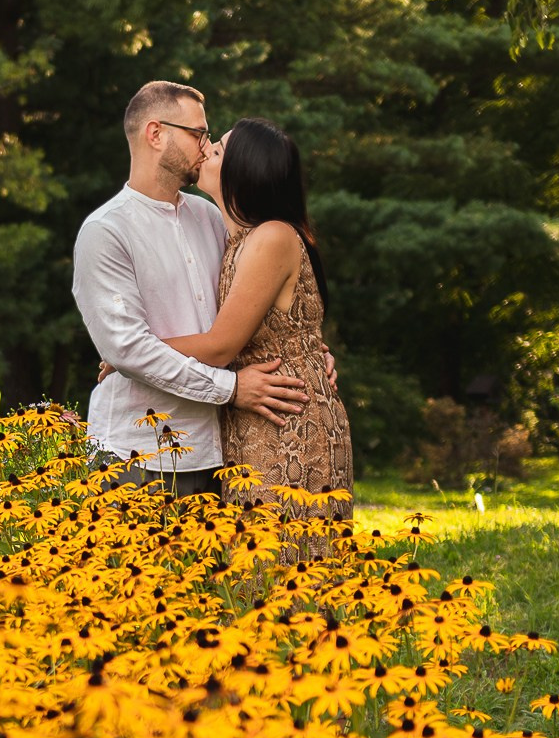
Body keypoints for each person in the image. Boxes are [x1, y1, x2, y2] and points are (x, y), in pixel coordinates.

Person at [70, 81, 324, 498]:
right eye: (198, 134)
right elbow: (128, 348)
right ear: (156, 134)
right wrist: (232, 389)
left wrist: (308, 350)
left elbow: (261, 301)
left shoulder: (211, 217)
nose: (206, 147)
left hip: (219, 451)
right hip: (136, 454)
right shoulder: (106, 231)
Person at [140, 117, 354, 520]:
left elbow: (221, 346)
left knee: (287, 562)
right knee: (253, 564)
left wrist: (129, 354)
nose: (204, 149)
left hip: (290, 422)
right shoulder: (236, 238)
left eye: (217, 148)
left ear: (243, 171)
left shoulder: (272, 236)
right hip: (254, 415)